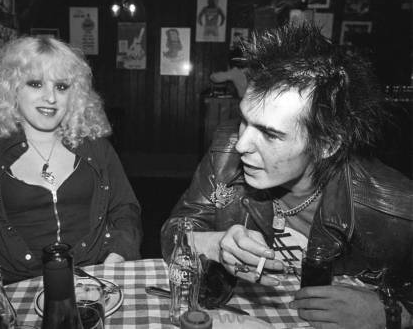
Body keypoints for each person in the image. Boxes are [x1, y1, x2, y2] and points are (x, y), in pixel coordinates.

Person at [161, 24, 413, 328]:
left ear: (327, 145)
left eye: (269, 133)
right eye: (244, 119)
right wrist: (215, 242)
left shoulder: (396, 206)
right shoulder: (225, 150)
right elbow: (174, 231)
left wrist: (390, 312)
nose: (241, 144)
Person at [0, 36, 142, 310]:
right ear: (10, 89)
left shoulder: (98, 149)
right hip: (13, 296)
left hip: (92, 287)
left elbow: (125, 209)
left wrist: (117, 255)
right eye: (36, 83)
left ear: (75, 94)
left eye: (61, 86)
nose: (51, 97)